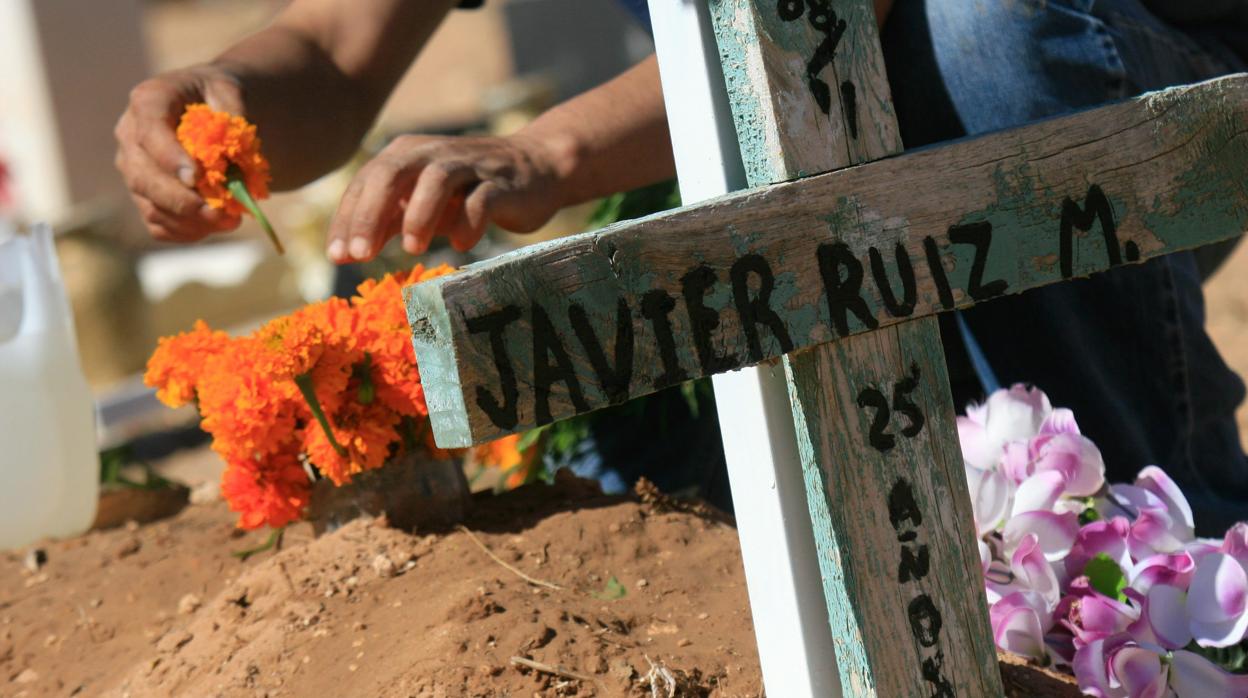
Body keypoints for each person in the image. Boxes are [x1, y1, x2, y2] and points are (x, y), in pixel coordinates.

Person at [116, 0, 1248, 533]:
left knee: (976, 34)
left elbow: (827, 18)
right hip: (812, 108)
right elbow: (332, 46)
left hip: (1122, 65)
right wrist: (224, 95)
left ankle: (1161, 558)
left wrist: (550, 149)